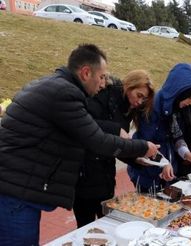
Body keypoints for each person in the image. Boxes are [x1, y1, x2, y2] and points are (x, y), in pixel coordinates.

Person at [0, 44, 159, 245]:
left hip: (17, 187)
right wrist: (143, 146)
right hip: (14, 193)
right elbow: (97, 140)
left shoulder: (57, 86)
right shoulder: (65, 94)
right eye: (101, 77)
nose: (103, 84)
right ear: (85, 73)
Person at [73, 70, 155, 228]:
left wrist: (134, 159)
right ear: (129, 86)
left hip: (105, 176)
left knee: (109, 225)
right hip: (84, 172)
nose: (140, 102)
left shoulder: (128, 107)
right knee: (85, 227)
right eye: (139, 95)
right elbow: (85, 123)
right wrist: (116, 129)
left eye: (143, 99)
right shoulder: (105, 94)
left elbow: (115, 147)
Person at [127, 63, 191, 191]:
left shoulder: (175, 107)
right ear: (179, 92)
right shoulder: (153, 108)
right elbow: (146, 145)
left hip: (166, 173)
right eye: (190, 98)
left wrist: (186, 153)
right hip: (147, 175)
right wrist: (163, 164)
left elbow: (177, 135)